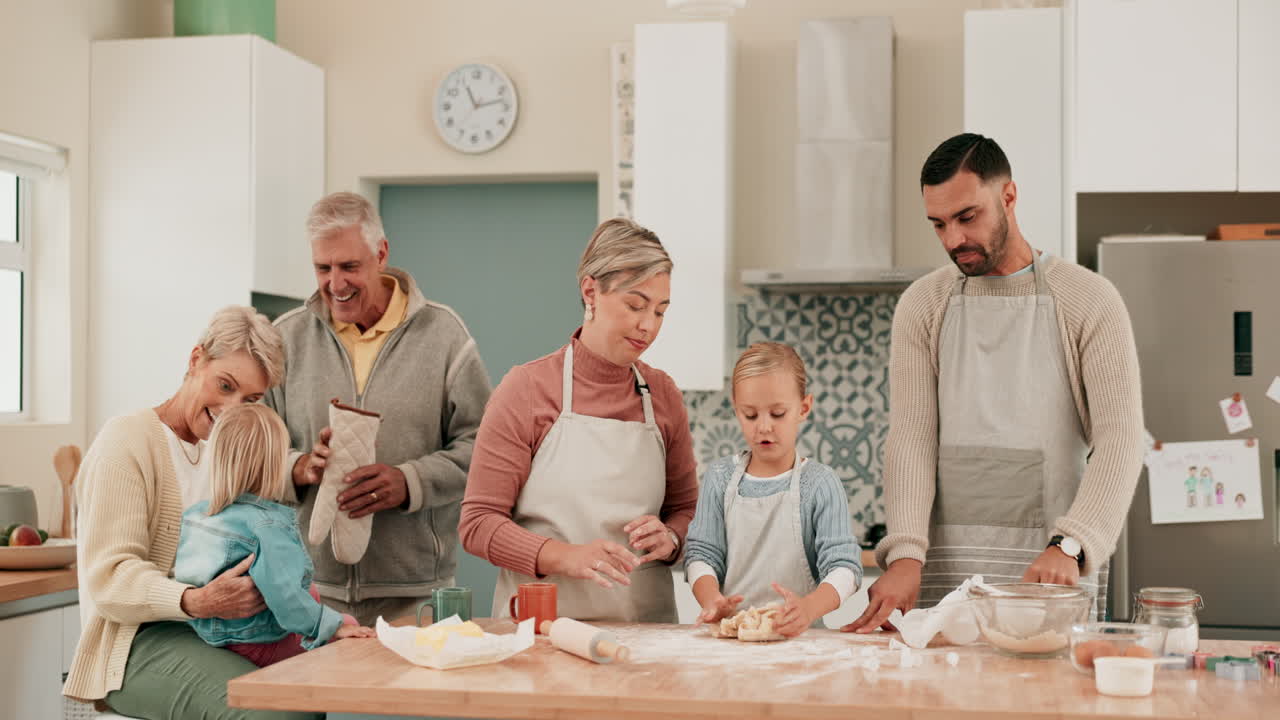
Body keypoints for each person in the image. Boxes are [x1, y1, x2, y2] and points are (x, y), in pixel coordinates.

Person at [847, 133, 1144, 633]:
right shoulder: (923, 305)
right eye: (938, 224)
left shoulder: (1089, 300)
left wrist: (1070, 545)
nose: (952, 240)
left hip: (1050, 577)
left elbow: (1121, 441)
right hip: (945, 580)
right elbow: (912, 440)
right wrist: (904, 555)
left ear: (1008, 196)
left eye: (967, 217)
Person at [64, 306, 319, 719]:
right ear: (196, 359)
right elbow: (110, 579)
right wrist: (196, 600)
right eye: (225, 385)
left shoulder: (222, 452)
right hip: (136, 646)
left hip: (217, 636)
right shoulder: (125, 442)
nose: (232, 408)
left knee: (319, 696)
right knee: (276, 714)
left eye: (250, 399)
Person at [265, 192, 492, 626]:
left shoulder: (444, 335)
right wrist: (298, 468)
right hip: (308, 594)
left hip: (417, 596)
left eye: (350, 266)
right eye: (323, 268)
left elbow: (483, 445)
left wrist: (410, 481)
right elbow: (251, 455)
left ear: (381, 253)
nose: (336, 283)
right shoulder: (286, 340)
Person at [459, 218, 698, 623]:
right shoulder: (528, 389)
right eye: (636, 305)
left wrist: (672, 538)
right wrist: (565, 557)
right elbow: (478, 524)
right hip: (541, 634)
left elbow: (689, 510)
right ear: (591, 291)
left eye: (660, 311)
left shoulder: (663, 395)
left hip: (646, 635)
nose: (649, 326)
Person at [174, 404, 374, 668]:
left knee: (311, 593)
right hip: (258, 643)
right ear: (274, 463)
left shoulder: (196, 515)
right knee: (347, 625)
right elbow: (286, 597)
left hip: (211, 634)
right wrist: (333, 626)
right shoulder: (267, 525)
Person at [685, 342, 862, 637]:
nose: (763, 427)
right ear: (736, 410)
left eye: (778, 413)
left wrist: (808, 609)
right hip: (731, 642)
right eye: (750, 415)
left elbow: (845, 568)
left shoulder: (819, 484)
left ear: (803, 408)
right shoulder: (719, 478)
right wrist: (711, 600)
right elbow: (702, 554)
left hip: (803, 642)